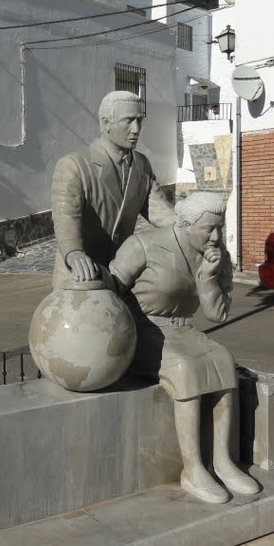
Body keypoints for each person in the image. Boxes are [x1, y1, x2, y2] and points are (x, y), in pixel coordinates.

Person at [106, 191, 260, 504]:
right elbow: (110, 289)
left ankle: (222, 461)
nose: (215, 236)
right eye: (208, 229)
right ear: (186, 224)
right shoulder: (144, 245)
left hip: (184, 330)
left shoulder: (216, 255)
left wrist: (207, 278)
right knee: (186, 368)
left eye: (219, 227)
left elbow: (217, 314)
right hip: (141, 330)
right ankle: (192, 468)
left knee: (222, 359)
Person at [50, 90, 174, 289]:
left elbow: (159, 211)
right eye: (128, 121)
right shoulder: (74, 165)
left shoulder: (141, 165)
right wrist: (74, 253)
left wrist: (191, 230)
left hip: (119, 276)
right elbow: (66, 218)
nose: (136, 129)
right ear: (106, 123)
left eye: (139, 121)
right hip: (80, 277)